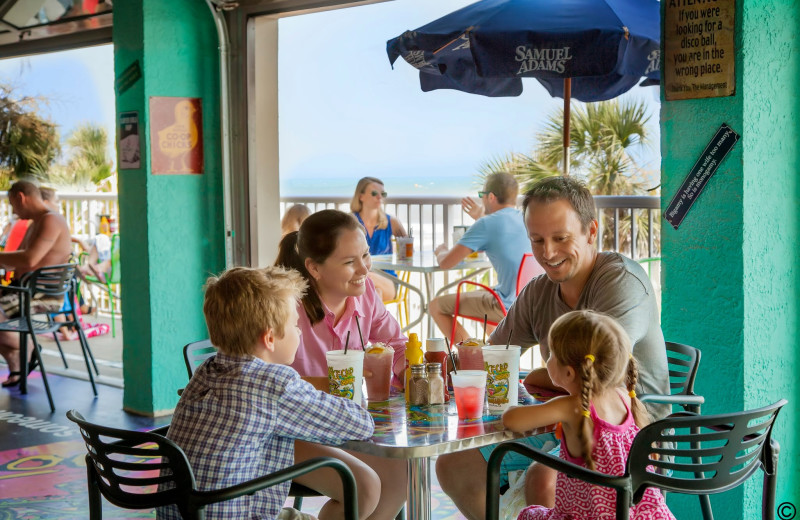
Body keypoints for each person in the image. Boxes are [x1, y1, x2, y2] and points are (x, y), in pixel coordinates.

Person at [436, 176, 670, 520]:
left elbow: (601, 375)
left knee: (545, 476)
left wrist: (542, 377)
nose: (547, 252)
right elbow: (495, 353)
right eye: (537, 240)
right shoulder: (538, 292)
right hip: (564, 424)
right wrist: (460, 365)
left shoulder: (620, 282)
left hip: (631, 437)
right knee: (454, 463)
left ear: (591, 232)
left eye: (561, 238)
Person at [157, 266, 376, 520]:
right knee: (362, 488)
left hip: (188, 513)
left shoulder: (207, 369)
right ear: (269, 338)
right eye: (296, 325)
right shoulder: (274, 384)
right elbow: (360, 425)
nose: (300, 332)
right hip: (237, 514)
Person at [275, 209, 408, 520]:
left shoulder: (366, 295)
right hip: (288, 431)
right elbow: (267, 382)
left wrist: (418, 374)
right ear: (314, 268)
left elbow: (398, 345)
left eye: (365, 255)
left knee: (403, 472)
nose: (364, 269)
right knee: (363, 488)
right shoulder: (285, 309)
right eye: (350, 262)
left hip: (343, 426)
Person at [505, 310, 674, 520]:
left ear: (568, 373)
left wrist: (508, 406)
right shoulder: (624, 395)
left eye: (551, 355)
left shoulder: (571, 406)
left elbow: (511, 421)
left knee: (529, 515)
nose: (547, 360)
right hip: (637, 515)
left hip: (586, 516)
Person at [428, 172, 530, 343]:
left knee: (435, 306)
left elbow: (446, 263)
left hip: (505, 305)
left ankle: (471, 354)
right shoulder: (526, 218)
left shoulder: (487, 223)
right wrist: (481, 217)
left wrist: (440, 250)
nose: (481, 200)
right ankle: (494, 353)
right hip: (529, 303)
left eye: (481, 195)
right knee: (483, 299)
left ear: (490, 197)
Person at [0, 181, 72, 387]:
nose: (13, 211)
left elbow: (30, 259)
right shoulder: (36, 222)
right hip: (22, 292)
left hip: (40, 297)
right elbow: (16, 260)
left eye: (13, 204)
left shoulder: (51, 220)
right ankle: (18, 363)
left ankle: (28, 347)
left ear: (21, 197)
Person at [350, 176, 407, 301]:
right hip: (359, 280)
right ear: (361, 196)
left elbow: (407, 251)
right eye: (375, 193)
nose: (379, 197)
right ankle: (376, 320)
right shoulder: (350, 222)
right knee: (374, 292)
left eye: (383, 193)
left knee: (368, 279)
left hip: (387, 280)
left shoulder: (392, 222)